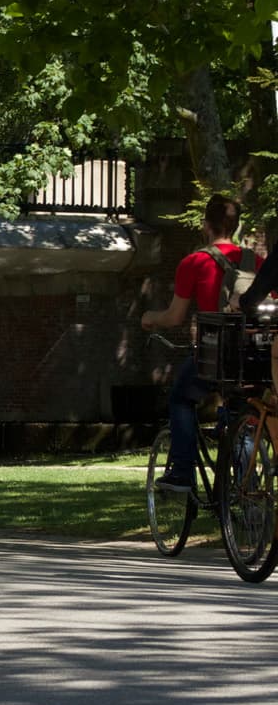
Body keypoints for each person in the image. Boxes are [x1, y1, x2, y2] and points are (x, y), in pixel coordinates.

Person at [143, 195, 249, 490]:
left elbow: (175, 317)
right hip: (251, 355)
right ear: (236, 226)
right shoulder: (255, 261)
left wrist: (150, 317)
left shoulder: (195, 262)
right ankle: (247, 489)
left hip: (214, 354)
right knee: (242, 411)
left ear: (206, 225)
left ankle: (182, 472)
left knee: (181, 398)